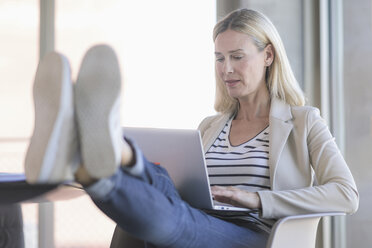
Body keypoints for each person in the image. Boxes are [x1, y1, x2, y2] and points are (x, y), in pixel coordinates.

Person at [24, 9, 359, 248]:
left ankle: (95, 154)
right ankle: (109, 153)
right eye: (219, 58)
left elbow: (346, 194)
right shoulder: (211, 125)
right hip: (193, 212)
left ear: (268, 55)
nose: (225, 69)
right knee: (159, 181)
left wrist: (257, 199)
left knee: (176, 221)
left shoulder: (304, 121)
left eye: (237, 56)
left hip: (253, 233)